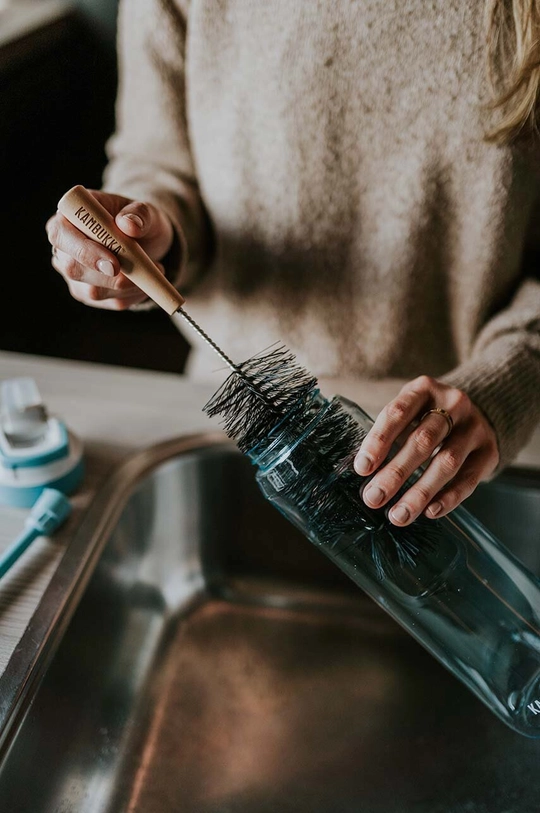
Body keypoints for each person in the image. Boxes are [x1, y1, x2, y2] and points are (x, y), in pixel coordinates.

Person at [46, 0, 540, 529]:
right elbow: (158, 158)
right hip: (243, 425)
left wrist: (507, 380)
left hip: (470, 446)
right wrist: (153, 234)